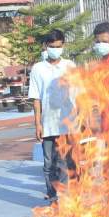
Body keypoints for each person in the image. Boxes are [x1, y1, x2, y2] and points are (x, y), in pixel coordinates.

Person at [28, 29, 77, 202]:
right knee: (49, 162)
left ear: (63, 45)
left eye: (58, 46)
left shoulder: (70, 66)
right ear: (45, 46)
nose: (55, 49)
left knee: (66, 161)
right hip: (48, 123)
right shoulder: (38, 69)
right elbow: (36, 98)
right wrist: (37, 124)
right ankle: (52, 193)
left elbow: (78, 93)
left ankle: (65, 196)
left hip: (67, 122)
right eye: (52, 46)